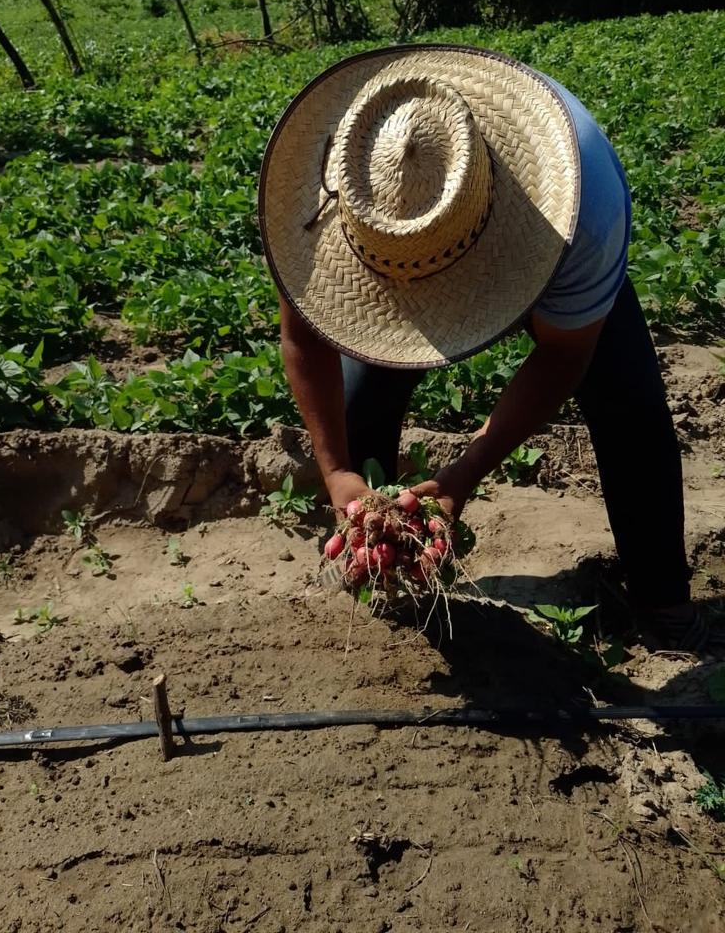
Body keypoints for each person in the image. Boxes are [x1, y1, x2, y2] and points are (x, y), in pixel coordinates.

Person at [258, 44, 711, 652]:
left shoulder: (583, 203)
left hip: (549, 231)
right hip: (399, 250)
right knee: (363, 396)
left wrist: (464, 473)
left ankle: (663, 600)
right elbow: (302, 337)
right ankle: (384, 561)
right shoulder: (319, 187)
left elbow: (562, 357)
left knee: (626, 401)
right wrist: (337, 470)